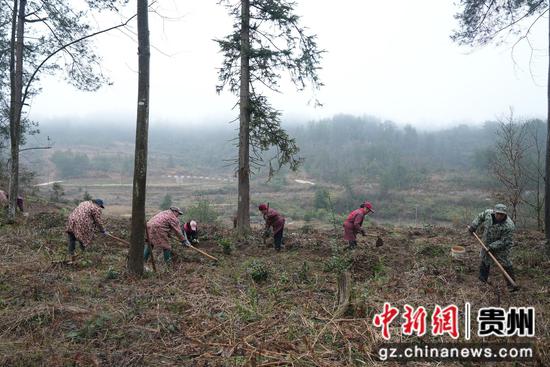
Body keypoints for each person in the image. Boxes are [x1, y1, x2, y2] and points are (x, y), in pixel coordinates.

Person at [468, 204, 518, 291]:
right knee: (485, 259)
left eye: (501, 214)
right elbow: (480, 217)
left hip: (502, 247)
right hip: (487, 242)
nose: (499, 216)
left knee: (505, 263)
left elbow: (505, 241)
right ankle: (482, 280)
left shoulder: (509, 226)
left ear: (505, 214)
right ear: (494, 212)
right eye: (497, 213)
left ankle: (511, 285)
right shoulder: (488, 214)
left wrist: (492, 247)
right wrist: (474, 226)